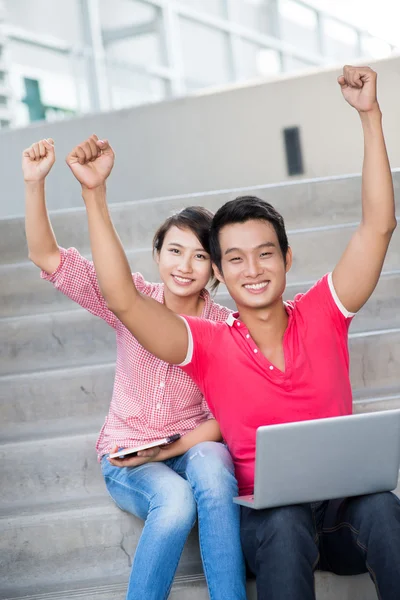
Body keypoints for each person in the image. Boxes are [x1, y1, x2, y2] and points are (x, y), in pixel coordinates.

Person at [67, 64, 400, 599]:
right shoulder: (210, 343)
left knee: (383, 506)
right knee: (286, 520)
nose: (254, 269)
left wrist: (370, 116)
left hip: (340, 516)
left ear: (287, 258)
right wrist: (95, 197)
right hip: (268, 527)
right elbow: (124, 301)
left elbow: (378, 225)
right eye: (237, 259)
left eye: (266, 253)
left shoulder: (324, 313)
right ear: (219, 272)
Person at [22, 142, 247, 600]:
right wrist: (35, 182)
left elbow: (227, 419)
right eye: (175, 251)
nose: (185, 266)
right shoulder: (130, 297)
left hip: (189, 446)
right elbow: (46, 256)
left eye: (200, 256)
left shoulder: (227, 327)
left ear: (217, 271)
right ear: (158, 253)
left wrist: (173, 450)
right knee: (176, 501)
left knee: (214, 466)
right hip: (128, 455)